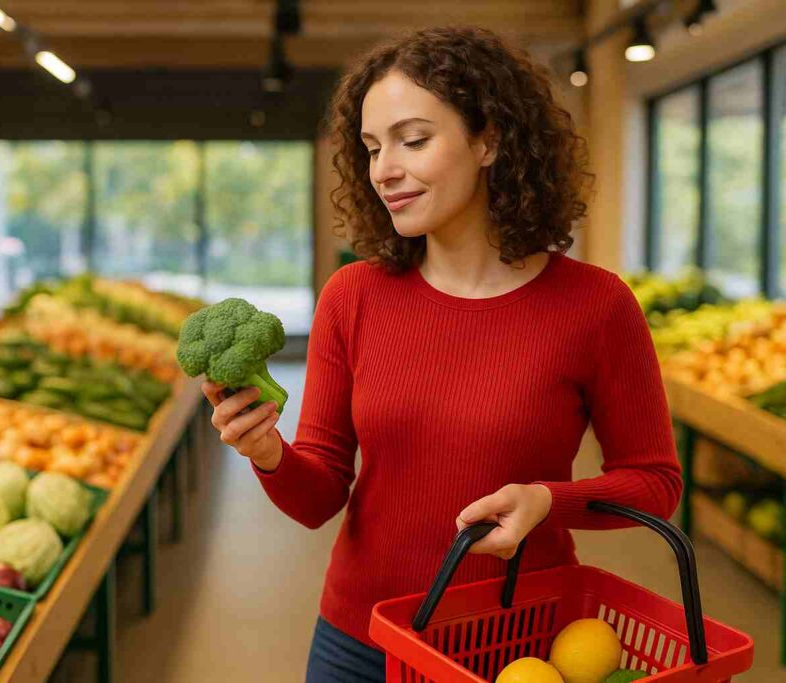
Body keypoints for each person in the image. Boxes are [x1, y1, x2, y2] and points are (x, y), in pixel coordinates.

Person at [201, 25, 682, 683]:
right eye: (371, 148)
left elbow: (656, 482)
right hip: (360, 641)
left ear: (489, 140)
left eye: (414, 140)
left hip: (520, 646)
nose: (384, 170)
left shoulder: (595, 306)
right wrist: (267, 453)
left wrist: (548, 500)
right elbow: (319, 496)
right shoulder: (354, 296)